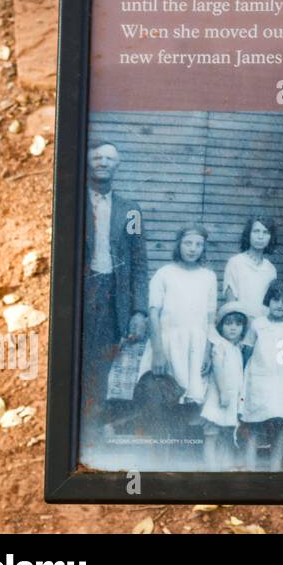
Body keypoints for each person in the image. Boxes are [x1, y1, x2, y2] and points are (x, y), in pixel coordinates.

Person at [82, 140, 149, 439]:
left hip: (112, 298)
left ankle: (90, 434)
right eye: (97, 157)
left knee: (100, 367)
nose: (103, 162)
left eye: (109, 158)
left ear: (117, 164)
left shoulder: (130, 211)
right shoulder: (73, 200)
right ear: (87, 161)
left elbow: (138, 261)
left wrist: (138, 310)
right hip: (82, 292)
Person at [147, 223, 217, 408]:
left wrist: (207, 353)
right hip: (168, 344)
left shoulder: (208, 277)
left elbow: (210, 320)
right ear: (178, 244)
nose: (193, 249)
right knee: (165, 397)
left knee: (193, 401)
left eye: (198, 244)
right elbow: (153, 315)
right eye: (188, 243)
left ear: (203, 248)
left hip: (197, 347)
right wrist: (158, 352)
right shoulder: (164, 274)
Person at [242, 279, 283, 472]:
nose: (280, 305)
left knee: (278, 425)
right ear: (268, 300)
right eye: (276, 300)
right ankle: (250, 470)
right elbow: (248, 351)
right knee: (253, 426)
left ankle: (274, 471)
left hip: (281, 383)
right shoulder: (258, 325)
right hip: (258, 380)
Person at [201, 302, 249, 471]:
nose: (233, 328)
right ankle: (210, 468)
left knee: (227, 432)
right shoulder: (220, 346)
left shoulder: (236, 348)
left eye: (238, 324)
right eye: (228, 324)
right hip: (219, 396)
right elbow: (218, 368)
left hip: (230, 397)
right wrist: (223, 392)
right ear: (221, 327)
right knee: (212, 433)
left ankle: (224, 466)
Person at [223, 215, 279, 335]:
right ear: (248, 234)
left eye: (265, 232)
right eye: (256, 231)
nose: (260, 237)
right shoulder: (235, 262)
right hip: (240, 327)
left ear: (270, 237)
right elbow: (231, 302)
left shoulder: (270, 269)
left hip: (263, 329)